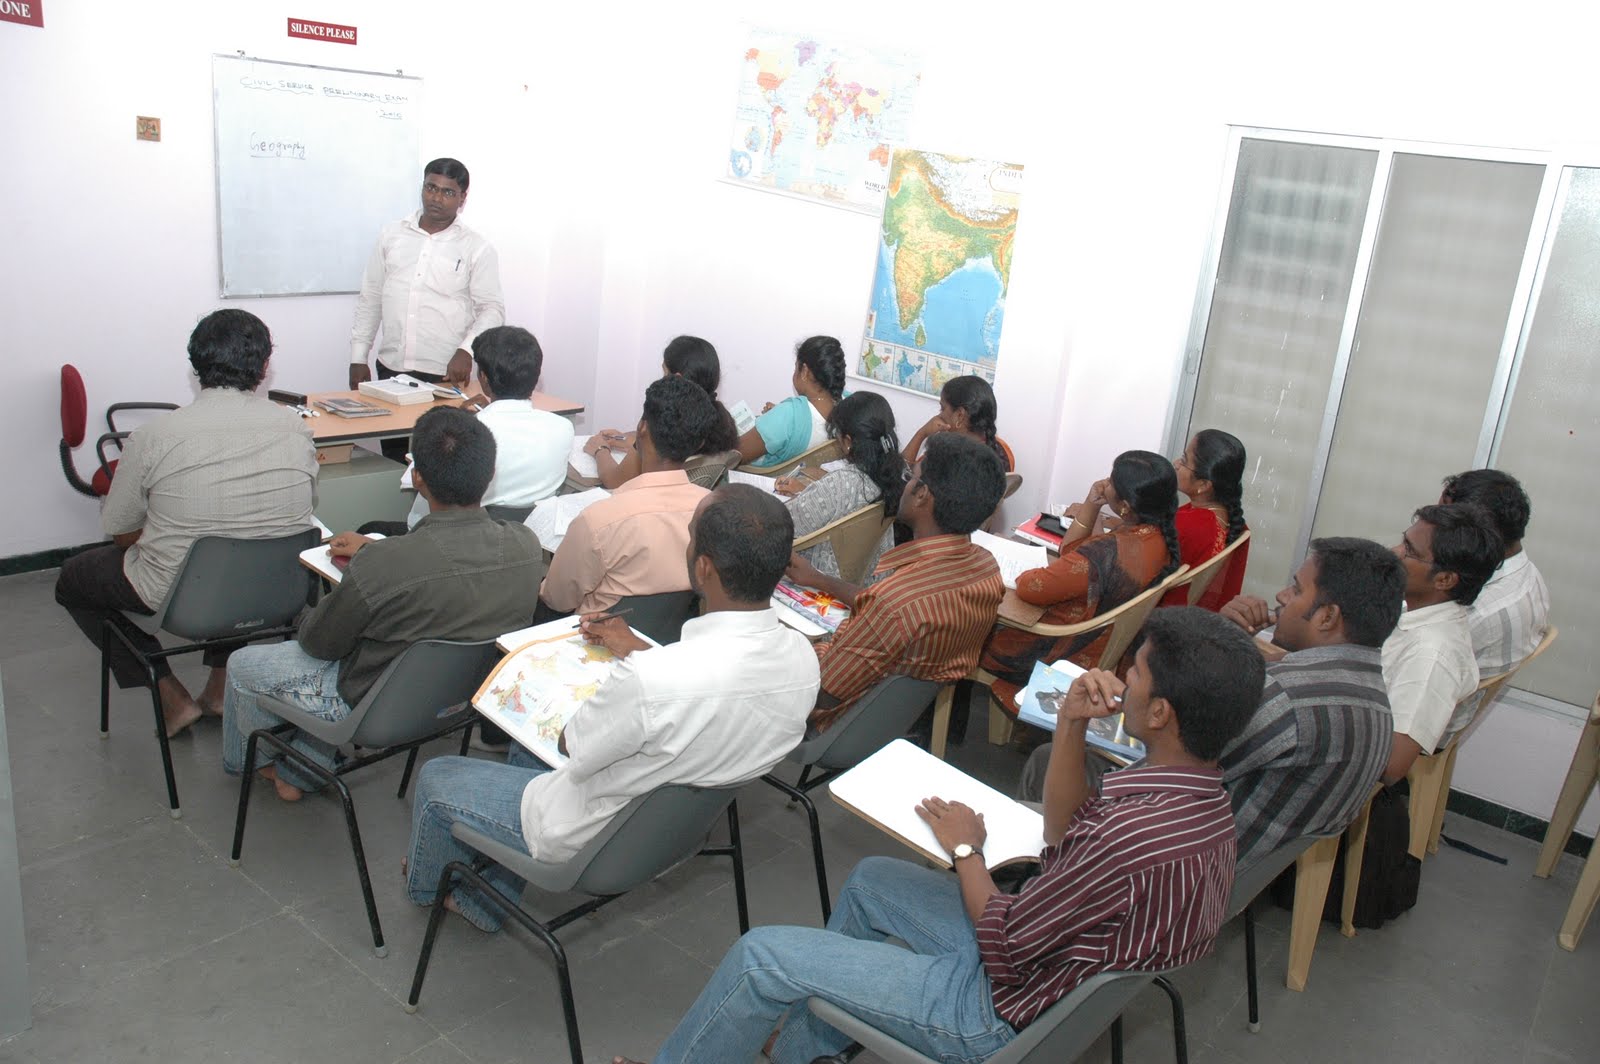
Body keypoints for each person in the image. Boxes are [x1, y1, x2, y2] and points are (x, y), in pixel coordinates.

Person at [613, 608, 1264, 1064]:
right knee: (872, 880)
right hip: (1053, 976)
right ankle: (802, 1051)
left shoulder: (1131, 832)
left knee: (762, 958)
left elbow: (1004, 944)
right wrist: (1070, 721)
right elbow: (1062, 836)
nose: (1123, 679)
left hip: (991, 1012)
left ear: (1160, 713)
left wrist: (966, 849)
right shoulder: (1204, 805)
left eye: (1137, 673)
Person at [403, 484, 820, 929]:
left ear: (703, 567)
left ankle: (429, 889)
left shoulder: (652, 679)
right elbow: (718, 686)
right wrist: (640, 651)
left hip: (592, 834)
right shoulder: (803, 660)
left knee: (438, 776)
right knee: (527, 754)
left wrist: (612, 684)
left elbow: (572, 744)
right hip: (670, 832)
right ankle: (491, 895)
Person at [219, 407, 543, 801]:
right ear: (490, 474)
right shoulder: (526, 547)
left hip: (371, 705)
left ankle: (251, 763)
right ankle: (298, 771)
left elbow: (319, 644)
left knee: (243, 665)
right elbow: (450, 573)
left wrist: (314, 609)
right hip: (461, 699)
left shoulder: (383, 562)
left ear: (417, 477)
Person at [55, 309, 318, 738]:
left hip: (187, 598)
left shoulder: (154, 436)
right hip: (277, 591)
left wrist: (163, 533)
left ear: (195, 363)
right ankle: (219, 690)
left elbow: (119, 527)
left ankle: (167, 691)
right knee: (238, 546)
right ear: (264, 366)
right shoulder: (296, 428)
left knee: (73, 579)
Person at [784, 433, 1005, 734]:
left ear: (922, 494)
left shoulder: (895, 604)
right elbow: (889, 608)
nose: (905, 484)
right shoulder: (986, 569)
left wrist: (799, 646)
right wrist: (818, 579)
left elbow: (823, 689)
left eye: (911, 477)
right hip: (893, 725)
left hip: (832, 727)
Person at [1212, 538, 1404, 867]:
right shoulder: (1376, 700)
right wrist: (1231, 643)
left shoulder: (1286, 697)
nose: (1281, 596)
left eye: (1297, 590)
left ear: (1327, 617)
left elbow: (1173, 767)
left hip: (1180, 871)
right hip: (1243, 873)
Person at [979, 450, 1180, 709]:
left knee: (973, 624)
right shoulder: (1156, 536)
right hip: (1101, 643)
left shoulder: (1102, 557)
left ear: (1125, 507)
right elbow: (1071, 550)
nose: (1105, 482)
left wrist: (1024, 572)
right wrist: (1092, 505)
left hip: (1058, 650)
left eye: (1112, 480)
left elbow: (1031, 587)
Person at [349, 158, 504, 460]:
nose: (436, 198)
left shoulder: (476, 247)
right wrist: (358, 356)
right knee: (395, 462)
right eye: (431, 188)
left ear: (462, 198)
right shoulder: (391, 235)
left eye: (448, 192)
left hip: (444, 376)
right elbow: (371, 297)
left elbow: (492, 309)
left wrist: (467, 350)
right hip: (391, 369)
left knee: (441, 463)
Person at [539, 376, 717, 616]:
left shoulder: (598, 521)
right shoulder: (715, 510)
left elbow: (557, 599)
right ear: (699, 444)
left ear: (642, 428)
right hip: (673, 634)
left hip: (594, 634)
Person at [396, 325, 572, 529]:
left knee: (373, 527)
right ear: (535, 376)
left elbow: (419, 520)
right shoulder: (563, 428)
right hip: (530, 536)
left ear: (484, 379)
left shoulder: (465, 437)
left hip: (462, 537)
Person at [1380, 503, 1502, 783]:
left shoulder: (1432, 655)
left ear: (1444, 579)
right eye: (1403, 541)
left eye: (1409, 550)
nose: (1395, 552)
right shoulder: (1413, 609)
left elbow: (1392, 765)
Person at [777, 392, 906, 580]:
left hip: (816, 580)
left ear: (847, 442)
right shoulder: (894, 475)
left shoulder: (842, 483)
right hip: (865, 582)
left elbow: (782, 525)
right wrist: (808, 493)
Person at [587, 336, 741, 489]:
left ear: (677, 379)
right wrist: (634, 440)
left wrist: (600, 450)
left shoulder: (665, 414)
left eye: (664, 372)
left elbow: (615, 481)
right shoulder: (721, 424)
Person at [1439, 469, 1550, 676]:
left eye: (1442, 523)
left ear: (1478, 534)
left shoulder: (1475, 613)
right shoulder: (1528, 573)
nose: (1434, 530)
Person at [1163, 428, 1250, 609]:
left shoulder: (1190, 524)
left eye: (1184, 460)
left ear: (1203, 485)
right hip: (1200, 620)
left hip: (1165, 619)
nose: (1176, 464)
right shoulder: (1234, 523)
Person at [736, 335, 848, 469]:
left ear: (804, 371)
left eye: (796, 367)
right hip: (805, 479)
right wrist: (779, 416)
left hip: (757, 478)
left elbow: (733, 455)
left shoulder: (789, 415)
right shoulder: (849, 408)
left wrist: (780, 417)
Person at [900, 374, 1015, 472]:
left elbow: (900, 476)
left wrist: (922, 433)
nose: (939, 415)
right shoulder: (1003, 451)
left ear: (960, 416)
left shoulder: (943, 457)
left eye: (942, 408)